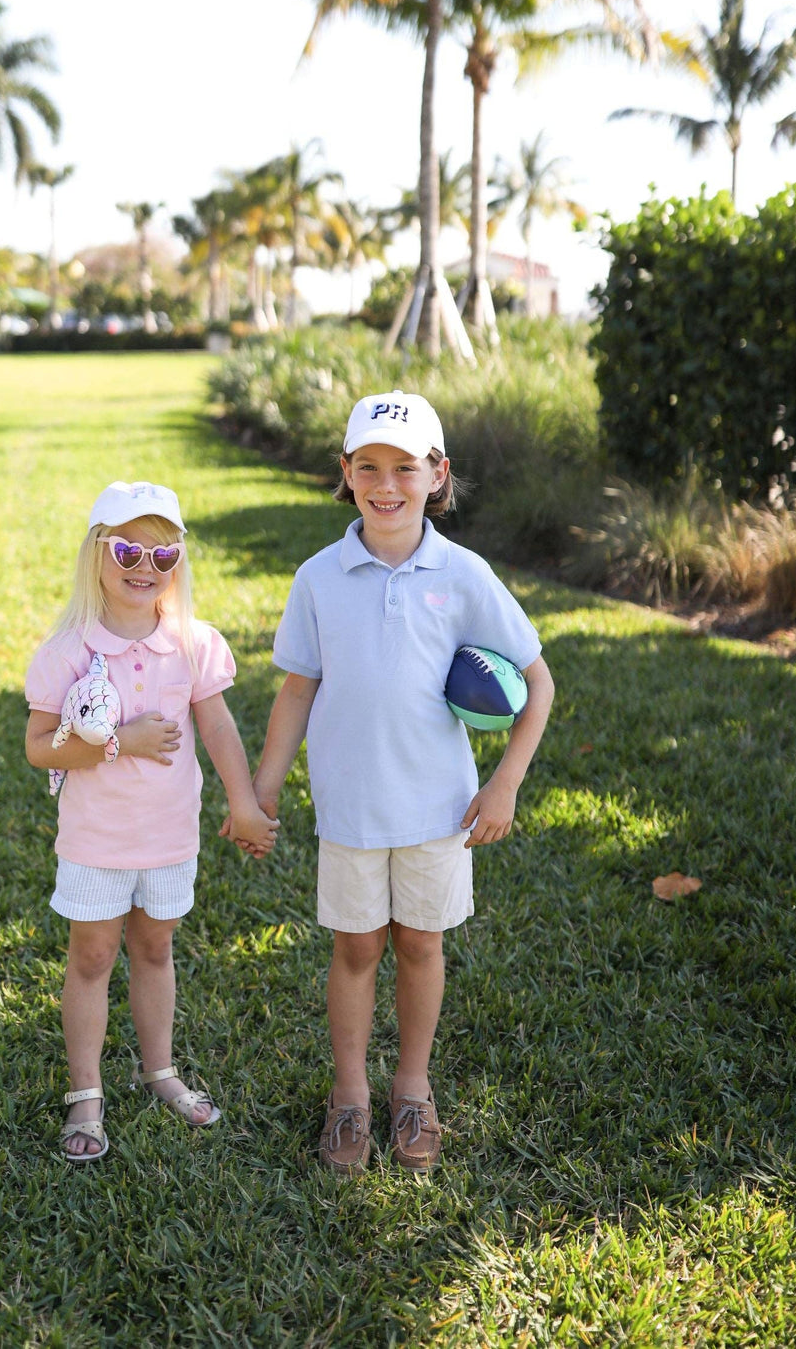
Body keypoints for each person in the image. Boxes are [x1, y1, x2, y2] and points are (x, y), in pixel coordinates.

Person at [253, 392, 554, 1173]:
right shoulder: (320, 577)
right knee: (355, 949)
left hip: (439, 807)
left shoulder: (462, 573)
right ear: (346, 474)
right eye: (369, 467)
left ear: (437, 474)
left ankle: (411, 1089)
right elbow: (297, 687)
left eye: (405, 468)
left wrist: (506, 784)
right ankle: (349, 1097)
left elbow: (538, 682)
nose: (386, 484)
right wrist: (266, 783)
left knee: (420, 945)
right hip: (350, 807)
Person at [25, 480, 278, 1163]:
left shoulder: (193, 644)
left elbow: (219, 727)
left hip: (169, 836)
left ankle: (158, 1069)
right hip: (96, 840)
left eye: (163, 555)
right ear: (97, 554)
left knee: (156, 949)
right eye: (129, 549)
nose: (146, 567)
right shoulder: (70, 650)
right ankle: (86, 1091)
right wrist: (116, 743)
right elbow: (37, 745)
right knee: (93, 955)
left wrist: (243, 800)